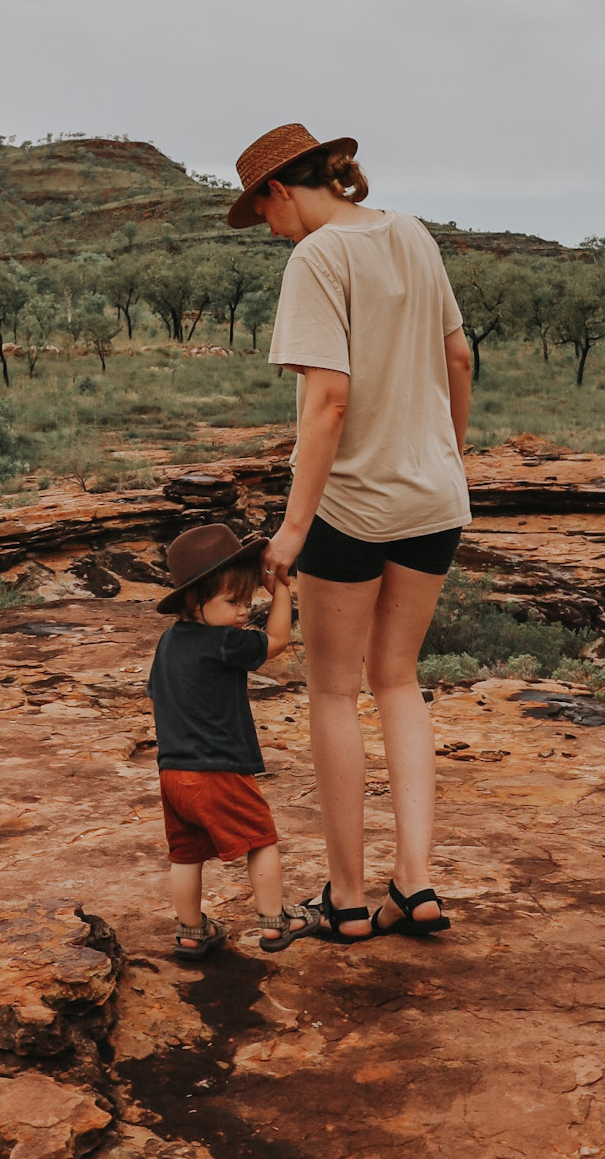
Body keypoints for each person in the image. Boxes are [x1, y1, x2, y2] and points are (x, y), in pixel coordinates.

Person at [227, 122, 472, 941]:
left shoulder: (316, 259)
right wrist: (445, 457)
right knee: (397, 681)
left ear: (277, 190)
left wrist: (292, 531)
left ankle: (347, 897)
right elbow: (459, 360)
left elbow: (325, 402)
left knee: (333, 691)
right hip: (432, 498)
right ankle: (418, 885)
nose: (269, 229)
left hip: (352, 508)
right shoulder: (412, 235)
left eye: (261, 212)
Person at [146, 522, 321, 960]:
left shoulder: (167, 643)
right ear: (194, 600)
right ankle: (274, 922)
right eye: (233, 602)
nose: (244, 612)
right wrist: (279, 588)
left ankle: (190, 930)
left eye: (248, 601)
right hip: (217, 770)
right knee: (260, 840)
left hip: (173, 774)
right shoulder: (223, 642)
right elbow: (278, 640)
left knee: (184, 855)